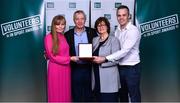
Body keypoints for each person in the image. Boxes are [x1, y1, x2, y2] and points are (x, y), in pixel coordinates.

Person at [93, 5, 141, 102]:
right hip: (120, 67)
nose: (121, 17)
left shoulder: (133, 30)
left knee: (134, 95)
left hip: (131, 67)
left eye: (124, 15)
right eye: (119, 15)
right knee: (122, 96)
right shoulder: (117, 31)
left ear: (129, 16)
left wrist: (105, 58)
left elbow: (124, 51)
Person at [64, 10, 97, 102]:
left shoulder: (92, 32)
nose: (80, 21)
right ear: (74, 20)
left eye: (82, 18)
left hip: (89, 68)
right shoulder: (67, 34)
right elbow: (62, 50)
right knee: (76, 94)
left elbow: (99, 47)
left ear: (85, 20)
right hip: (75, 68)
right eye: (77, 19)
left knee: (89, 94)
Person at [44, 15, 73, 102]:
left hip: (66, 69)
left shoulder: (63, 36)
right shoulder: (48, 37)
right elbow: (53, 57)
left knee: (65, 93)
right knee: (56, 93)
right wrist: (70, 59)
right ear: (54, 25)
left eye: (63, 24)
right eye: (58, 24)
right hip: (55, 70)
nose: (61, 26)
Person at [92, 17, 120, 102]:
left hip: (109, 79)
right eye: (98, 25)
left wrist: (102, 61)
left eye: (103, 25)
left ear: (107, 27)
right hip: (96, 77)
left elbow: (117, 59)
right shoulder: (95, 40)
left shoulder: (114, 40)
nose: (101, 27)